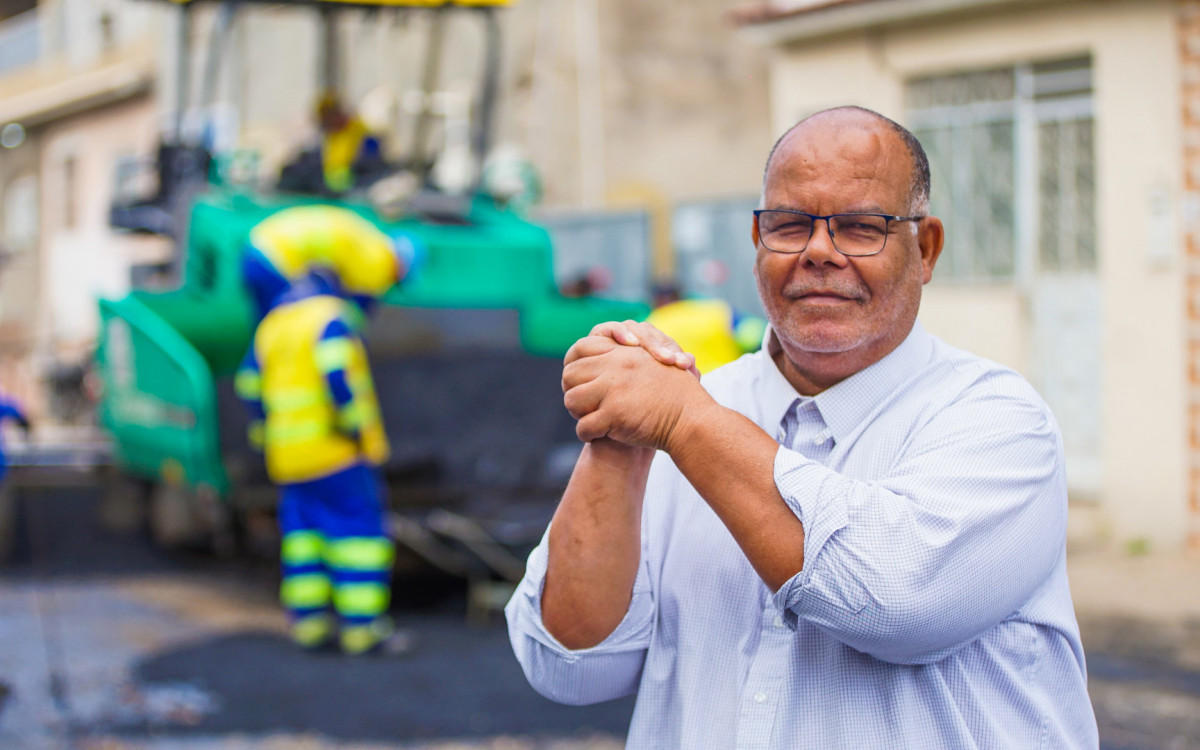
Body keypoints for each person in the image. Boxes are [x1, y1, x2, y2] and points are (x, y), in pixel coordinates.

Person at [506, 106, 1098, 747]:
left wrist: (679, 419)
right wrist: (619, 442)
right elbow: (569, 667)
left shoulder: (997, 422)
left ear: (924, 249)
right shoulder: (684, 413)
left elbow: (892, 601)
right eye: (790, 225)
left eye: (860, 227)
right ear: (758, 241)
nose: (819, 251)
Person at [235, 268, 406, 656]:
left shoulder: (272, 325)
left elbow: (247, 382)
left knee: (302, 539)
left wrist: (264, 432)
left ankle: (309, 626)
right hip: (334, 453)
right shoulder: (329, 318)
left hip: (288, 458)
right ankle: (362, 630)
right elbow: (337, 375)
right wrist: (356, 431)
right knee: (358, 537)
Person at [240, 204, 419, 321]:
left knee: (269, 331)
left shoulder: (370, 239)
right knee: (283, 329)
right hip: (277, 260)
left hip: (259, 244)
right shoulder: (380, 262)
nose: (390, 284)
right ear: (401, 267)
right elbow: (354, 311)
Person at [643, 282, 766, 374]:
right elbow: (752, 335)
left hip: (688, 387)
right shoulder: (717, 310)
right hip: (729, 379)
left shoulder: (652, 323)